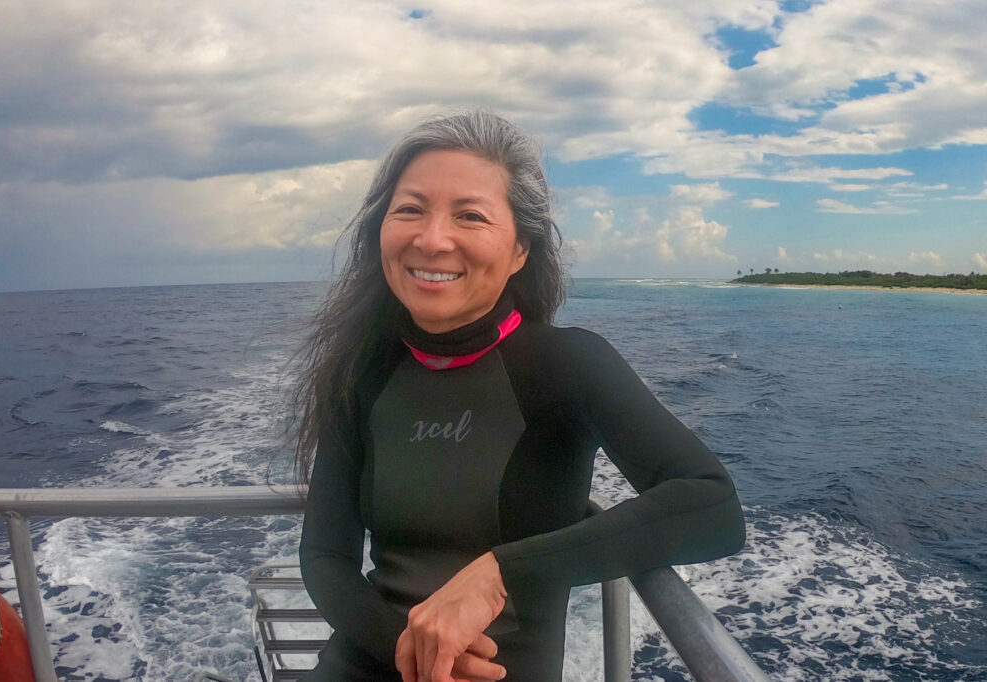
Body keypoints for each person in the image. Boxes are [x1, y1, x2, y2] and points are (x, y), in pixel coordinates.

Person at [292, 110, 746, 682]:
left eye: (471, 216)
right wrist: (412, 652)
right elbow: (325, 557)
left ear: (520, 250)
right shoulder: (362, 373)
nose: (432, 239)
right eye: (409, 209)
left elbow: (713, 508)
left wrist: (499, 573)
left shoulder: (568, 365)